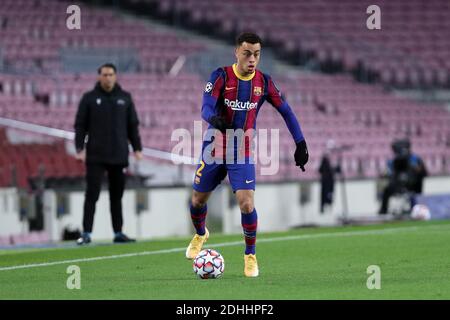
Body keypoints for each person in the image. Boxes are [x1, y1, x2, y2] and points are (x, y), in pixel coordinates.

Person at [185, 32, 309, 277]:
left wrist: (300, 142)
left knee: (246, 202)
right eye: (247, 53)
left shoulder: (264, 82)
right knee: (198, 201)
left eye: (256, 54)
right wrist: (213, 118)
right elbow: (206, 105)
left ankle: (250, 255)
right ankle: (201, 234)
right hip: (214, 146)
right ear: (236, 53)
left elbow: (286, 111)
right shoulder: (220, 76)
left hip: (242, 149)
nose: (252, 59)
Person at [74, 63, 143, 244]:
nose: (108, 78)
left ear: (115, 76)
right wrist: (79, 148)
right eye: (104, 75)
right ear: (99, 77)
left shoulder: (125, 98)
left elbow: (132, 126)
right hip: (95, 155)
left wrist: (137, 148)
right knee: (92, 195)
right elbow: (80, 125)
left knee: (116, 196)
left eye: (111, 74)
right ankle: (86, 233)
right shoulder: (89, 98)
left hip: (119, 156)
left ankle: (118, 232)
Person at [378, 138, 427, 214]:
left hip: (412, 185)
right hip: (397, 185)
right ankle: (383, 210)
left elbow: (423, 173)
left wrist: (414, 169)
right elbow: (386, 173)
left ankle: (415, 207)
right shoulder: (393, 161)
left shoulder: (415, 159)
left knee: (416, 186)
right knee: (386, 189)